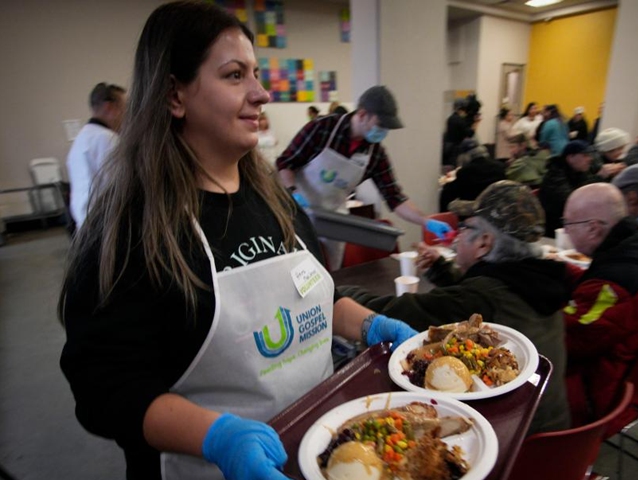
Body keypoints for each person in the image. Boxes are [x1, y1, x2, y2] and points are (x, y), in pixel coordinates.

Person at [58, 4, 418, 480]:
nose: (261, 93)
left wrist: (375, 326)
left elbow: (317, 297)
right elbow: (103, 388)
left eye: (256, 74)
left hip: (318, 454)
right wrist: (217, 438)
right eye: (234, 76)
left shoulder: (274, 200)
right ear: (173, 95)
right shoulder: (131, 228)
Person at [341, 180, 571, 435]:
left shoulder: (480, 297)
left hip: (512, 450)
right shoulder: (543, 283)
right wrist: (442, 270)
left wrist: (337, 295)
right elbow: (482, 297)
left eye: (464, 227)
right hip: (557, 439)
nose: (457, 235)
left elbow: (392, 311)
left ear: (484, 243)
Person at [276, 85, 453, 269]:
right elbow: (285, 163)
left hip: (331, 221)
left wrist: (426, 221)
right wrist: (293, 193)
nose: (383, 131)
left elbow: (394, 197)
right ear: (362, 115)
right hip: (293, 212)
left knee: (327, 275)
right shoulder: (322, 128)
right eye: (380, 125)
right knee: (293, 270)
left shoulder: (375, 154)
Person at [561, 183, 638, 416]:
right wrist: (565, 271)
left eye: (568, 223)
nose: (565, 231)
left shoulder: (612, 286)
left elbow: (569, 341)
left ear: (594, 229)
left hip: (603, 391)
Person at [66, 82, 127, 230]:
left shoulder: (82, 138)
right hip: (103, 225)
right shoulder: (106, 139)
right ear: (110, 108)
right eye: (126, 108)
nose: (128, 115)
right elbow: (122, 187)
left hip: (86, 223)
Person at [539, 140, 617, 236]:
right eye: (585, 156)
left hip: (572, 223)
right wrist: (599, 178)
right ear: (570, 157)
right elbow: (571, 201)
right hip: (554, 228)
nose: (590, 159)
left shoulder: (580, 172)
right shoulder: (555, 175)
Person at [438, 140, 506, 212]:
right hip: (497, 210)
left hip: (473, 212)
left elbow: (451, 193)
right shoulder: (500, 167)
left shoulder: (466, 171)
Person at [442, 98, 475, 169]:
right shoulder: (459, 120)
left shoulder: (450, 118)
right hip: (456, 149)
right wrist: (475, 124)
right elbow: (469, 133)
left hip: (448, 147)